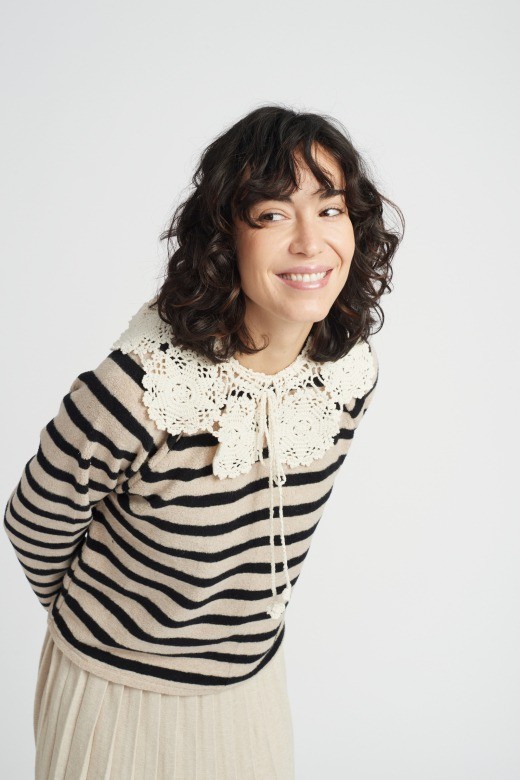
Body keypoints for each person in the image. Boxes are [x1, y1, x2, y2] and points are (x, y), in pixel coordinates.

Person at [3, 104, 404, 779]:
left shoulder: (346, 374)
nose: (310, 243)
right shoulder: (140, 389)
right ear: (225, 236)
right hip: (117, 700)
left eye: (330, 209)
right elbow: (34, 523)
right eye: (273, 214)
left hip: (249, 689)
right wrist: (124, 634)